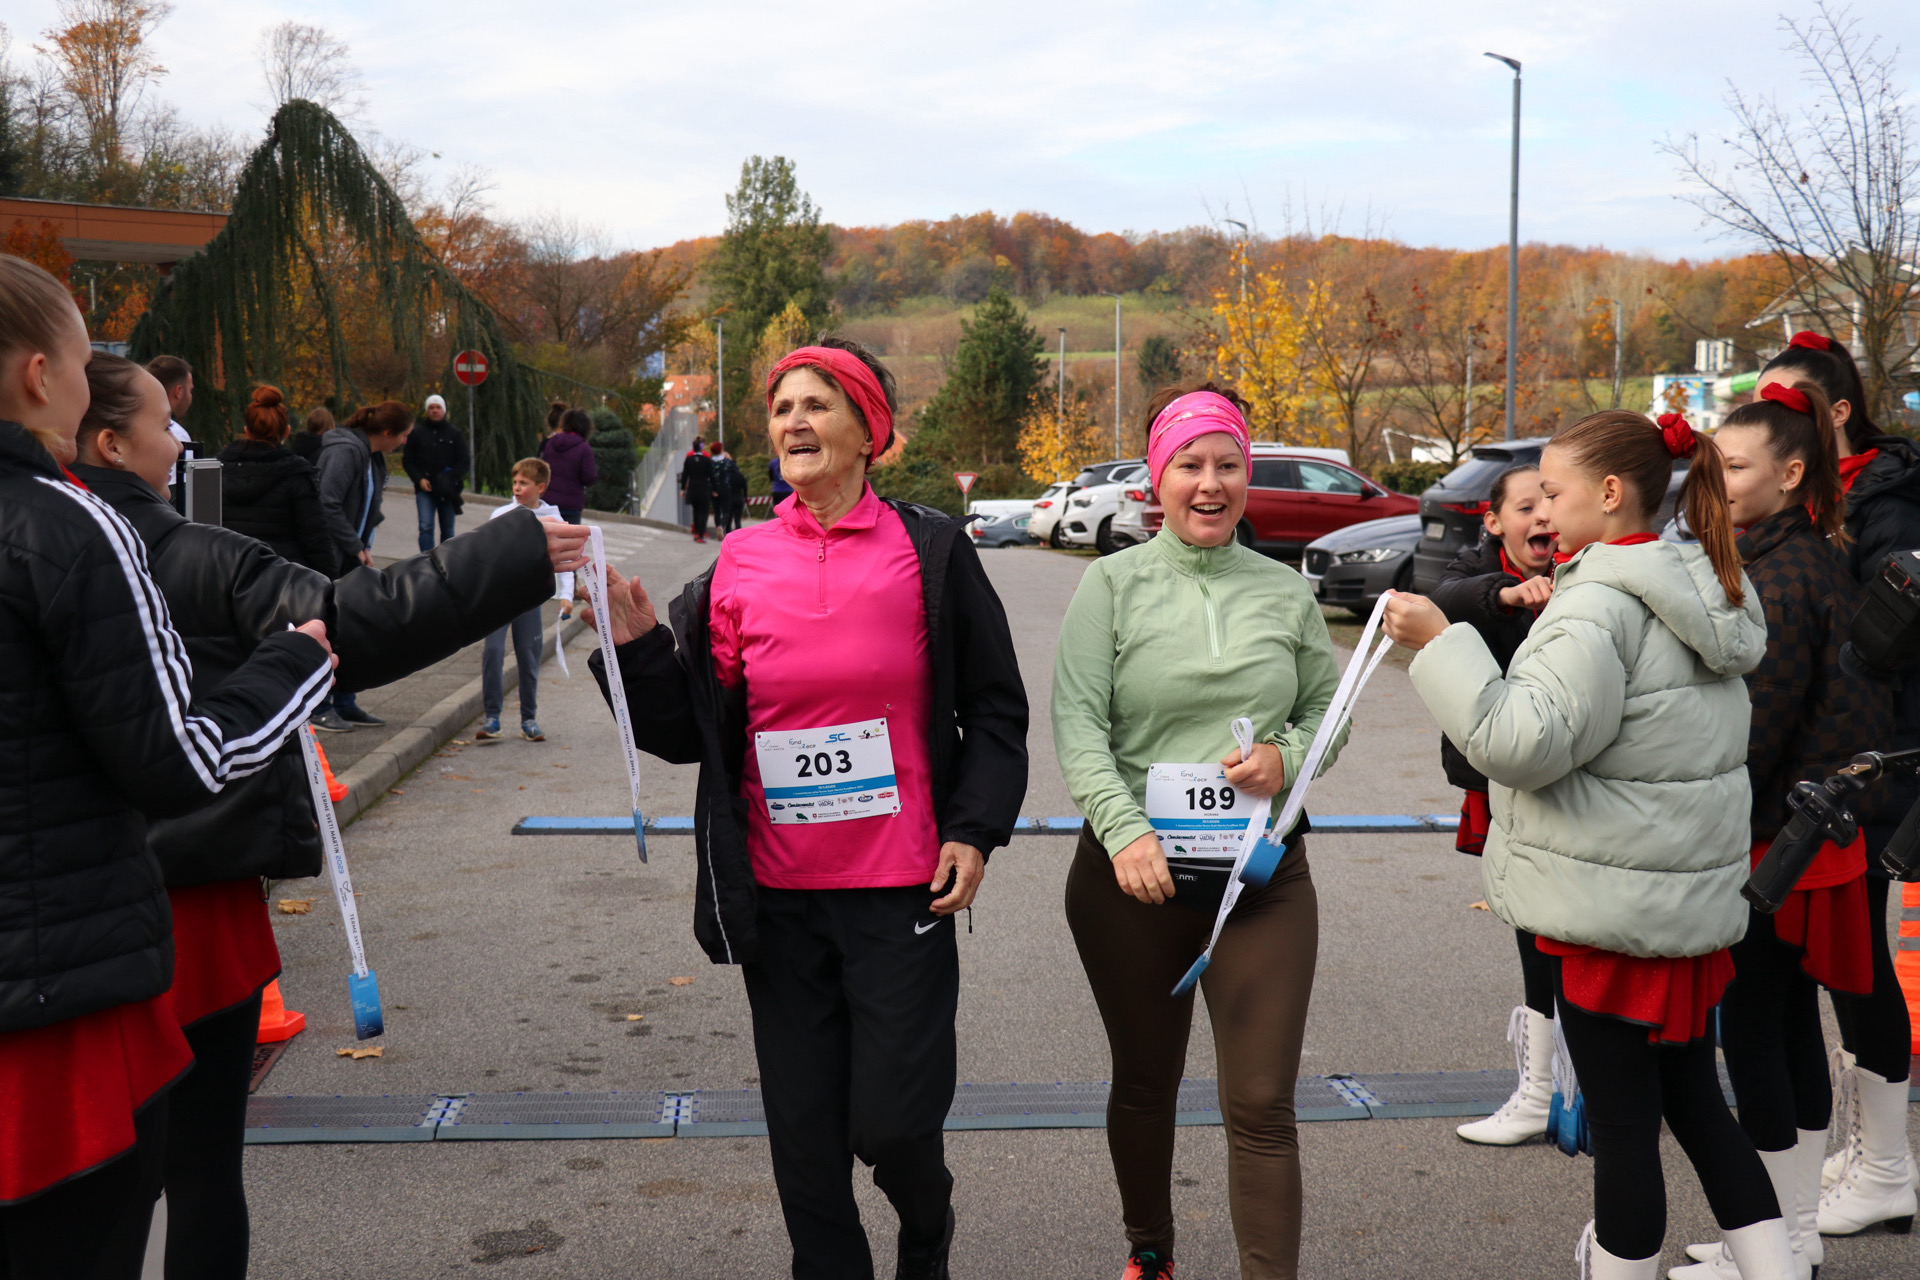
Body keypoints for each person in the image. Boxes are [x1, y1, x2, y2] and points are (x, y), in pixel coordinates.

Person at [67, 350, 578, 1280]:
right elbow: (353, 620)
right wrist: (511, 553)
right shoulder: (181, 552)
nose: (180, 438)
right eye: (160, 422)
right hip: (191, 902)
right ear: (110, 443)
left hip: (58, 911)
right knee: (198, 1168)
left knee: (91, 1177)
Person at [586, 337, 1028, 1280]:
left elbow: (993, 708)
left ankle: (925, 1236)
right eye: (783, 407)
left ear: (870, 431)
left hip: (902, 883)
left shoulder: (932, 552)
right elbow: (689, 733)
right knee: (807, 1134)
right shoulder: (739, 563)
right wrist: (633, 652)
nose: (794, 421)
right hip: (778, 893)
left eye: (818, 404)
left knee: (896, 1124)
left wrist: (973, 828)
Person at [1383, 410, 1793, 1280]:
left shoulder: (1596, 606)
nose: (1542, 512)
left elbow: (1521, 744)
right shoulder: (1702, 584)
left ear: (1609, 497)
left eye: (1553, 493)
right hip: (1680, 909)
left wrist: (1440, 646)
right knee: (1696, 1108)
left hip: (1610, 918)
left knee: (1623, 1133)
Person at [0, 255, 335, 1280]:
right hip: (57, 998)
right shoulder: (68, 527)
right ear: (43, 375)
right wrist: (296, 665)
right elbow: (176, 754)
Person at [1052, 384, 1343, 1280]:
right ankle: (1151, 1249)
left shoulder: (1284, 591)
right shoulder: (1110, 584)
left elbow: (1328, 708)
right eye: (1190, 465)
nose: (1210, 484)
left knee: (1261, 1102)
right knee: (1146, 1084)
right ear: (1157, 478)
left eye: (1228, 465)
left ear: (1247, 476)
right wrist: (1125, 830)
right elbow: (1076, 723)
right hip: (1133, 880)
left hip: (1261, 881)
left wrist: (1287, 760)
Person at [1668, 379, 1897, 1280]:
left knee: (1760, 1034)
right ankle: (1787, 1236)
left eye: (1732, 465)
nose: (1714, 480)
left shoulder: (1782, 572)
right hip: (1807, 838)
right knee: (1788, 1028)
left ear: (1791, 472)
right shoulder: (1795, 554)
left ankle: (1775, 1246)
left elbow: (1750, 733)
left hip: (1779, 844)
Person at [1756, 332, 1920, 1239]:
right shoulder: (1842, 498)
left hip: (1871, 768)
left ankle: (1888, 1165)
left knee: (1858, 974)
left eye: (1786, 408)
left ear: (1836, 414)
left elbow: (1877, 648)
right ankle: (1863, 1163)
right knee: (1830, 975)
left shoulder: (1884, 507)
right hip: (1843, 766)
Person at [1429, 464, 1564, 1147]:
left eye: (1552, 500)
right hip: (1507, 780)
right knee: (1530, 926)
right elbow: (1443, 594)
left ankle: (1567, 1085)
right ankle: (1541, 1086)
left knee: (1572, 934)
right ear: (1494, 521)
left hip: (1573, 782)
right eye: (1526, 505)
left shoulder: (1587, 569)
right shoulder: (1476, 569)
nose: (1543, 515)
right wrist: (1507, 594)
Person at [312, 400, 412, 730]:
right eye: (404, 435)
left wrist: (363, 545)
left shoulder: (372, 457)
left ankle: (345, 700)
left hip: (352, 557)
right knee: (327, 629)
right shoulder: (346, 451)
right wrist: (355, 546)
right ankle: (320, 705)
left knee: (350, 630)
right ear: (387, 432)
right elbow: (327, 502)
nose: (404, 442)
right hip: (330, 557)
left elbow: (366, 504)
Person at [476, 458, 575, 743]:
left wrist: (566, 596)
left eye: (524, 483)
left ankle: (529, 718)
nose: (517, 488)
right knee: (492, 653)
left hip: (528, 600)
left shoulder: (553, 522)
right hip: (496, 598)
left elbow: (563, 561)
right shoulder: (501, 514)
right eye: (515, 482)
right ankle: (492, 718)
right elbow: (483, 554)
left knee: (528, 657)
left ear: (540, 487)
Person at [217, 385, 335, 574]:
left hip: (228, 573)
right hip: (284, 580)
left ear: (247, 431)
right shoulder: (297, 474)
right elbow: (315, 538)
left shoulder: (217, 471)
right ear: (286, 432)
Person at [402, 392, 469, 552]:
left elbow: (464, 461)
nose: (435, 410)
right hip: (425, 489)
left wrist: (450, 478)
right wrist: (419, 479)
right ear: (427, 410)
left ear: (444, 410)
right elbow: (408, 460)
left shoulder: (454, 433)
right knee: (425, 527)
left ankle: (446, 563)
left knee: (448, 531)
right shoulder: (416, 433)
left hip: (447, 490)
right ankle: (425, 561)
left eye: (438, 407)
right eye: (431, 407)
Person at [539, 407, 598, 525]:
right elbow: (589, 477)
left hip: (548, 501)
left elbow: (542, 469)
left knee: (547, 539)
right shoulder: (584, 448)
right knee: (570, 540)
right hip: (571, 504)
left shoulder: (551, 443)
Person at [146, 353, 192, 444]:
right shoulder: (177, 435)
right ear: (178, 391)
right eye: (190, 390)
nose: (190, 396)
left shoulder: (133, 425)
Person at [680, 433, 713, 542]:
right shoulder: (707, 457)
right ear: (702, 445)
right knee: (703, 511)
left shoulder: (689, 457)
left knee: (695, 510)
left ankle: (696, 531)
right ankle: (701, 531)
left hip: (692, 487)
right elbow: (711, 475)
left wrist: (683, 489)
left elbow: (685, 475)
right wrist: (715, 489)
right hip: (704, 488)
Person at [709, 438, 745, 537]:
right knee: (726, 510)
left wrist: (712, 489)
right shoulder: (726, 462)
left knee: (717, 511)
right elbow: (736, 470)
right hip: (725, 488)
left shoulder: (710, 462)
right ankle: (724, 525)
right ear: (721, 450)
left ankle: (719, 526)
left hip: (714, 489)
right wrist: (730, 459)